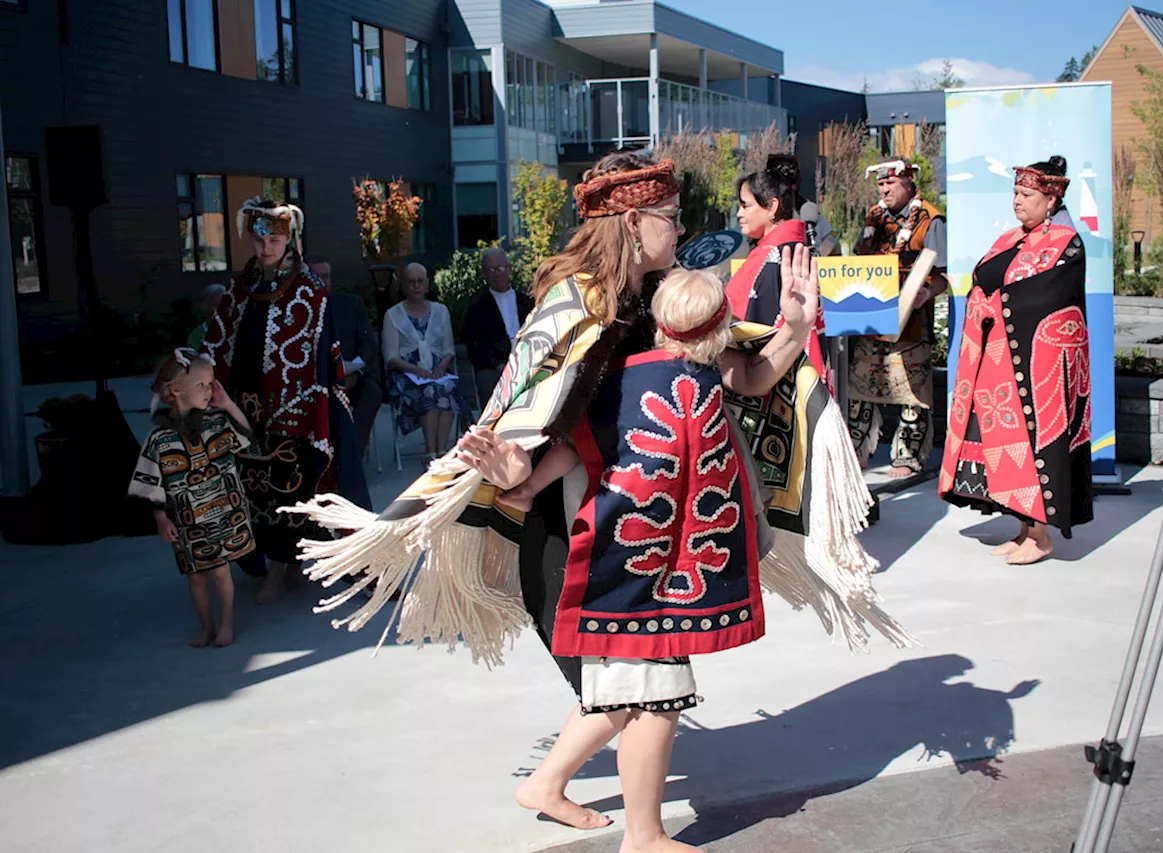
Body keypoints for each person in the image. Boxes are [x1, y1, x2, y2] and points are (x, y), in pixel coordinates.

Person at [286, 153, 904, 853]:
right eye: (671, 217)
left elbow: (750, 377)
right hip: (578, 540)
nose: (682, 227)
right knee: (648, 683)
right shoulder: (575, 306)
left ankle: (548, 787)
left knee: (625, 688)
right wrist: (514, 460)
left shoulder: (675, 298)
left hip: (647, 535)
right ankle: (642, 838)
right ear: (635, 222)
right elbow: (528, 420)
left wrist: (794, 327)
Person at [201, 197, 370, 604]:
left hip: (295, 410)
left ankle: (284, 567)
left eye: (275, 239)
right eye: (260, 240)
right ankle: (273, 562)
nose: (267, 248)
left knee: (291, 490)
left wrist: (317, 405)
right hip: (244, 409)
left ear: (288, 237)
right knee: (256, 494)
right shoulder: (240, 288)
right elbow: (219, 341)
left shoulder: (310, 289)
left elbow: (322, 353)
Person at [938, 155, 1093, 565]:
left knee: (1030, 441)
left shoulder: (1065, 244)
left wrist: (997, 303)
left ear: (1050, 198)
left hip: (1033, 366)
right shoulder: (1010, 239)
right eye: (1015, 194)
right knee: (1004, 445)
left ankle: (1041, 536)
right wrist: (983, 302)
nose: (1017, 202)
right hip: (996, 362)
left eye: (1026, 195)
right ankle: (1023, 527)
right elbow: (983, 278)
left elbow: (1047, 297)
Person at [501, 267, 732, 513]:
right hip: (691, 499)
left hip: (630, 494)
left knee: (575, 439)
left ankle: (529, 489)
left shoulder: (633, 373)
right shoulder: (709, 378)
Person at [129, 348, 254, 647]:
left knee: (221, 571)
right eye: (201, 385)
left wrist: (227, 405)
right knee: (196, 576)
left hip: (222, 511)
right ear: (175, 390)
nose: (209, 390)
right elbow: (152, 480)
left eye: (211, 383)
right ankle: (205, 625)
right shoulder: (159, 439)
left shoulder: (215, 423)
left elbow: (247, 437)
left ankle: (226, 622)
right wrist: (160, 517)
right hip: (186, 520)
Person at [846, 160, 948, 477]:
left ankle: (908, 455)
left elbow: (943, 276)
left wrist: (925, 294)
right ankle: (856, 449)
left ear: (908, 183)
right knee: (859, 389)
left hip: (910, 324)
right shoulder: (874, 217)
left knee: (911, 392)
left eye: (891, 184)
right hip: (870, 319)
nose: (885, 190)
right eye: (880, 185)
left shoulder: (930, 220)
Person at [725, 153, 829, 385]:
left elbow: (749, 325)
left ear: (772, 206)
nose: (739, 213)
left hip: (772, 377)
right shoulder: (792, 249)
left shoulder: (774, 255)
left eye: (745, 206)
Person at [382, 262, 470, 464]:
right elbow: (391, 358)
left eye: (420, 281)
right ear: (403, 285)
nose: (416, 286)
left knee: (446, 387)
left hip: (438, 372)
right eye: (411, 282)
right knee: (430, 390)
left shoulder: (441, 311)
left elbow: (449, 349)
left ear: (427, 284)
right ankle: (430, 452)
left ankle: (442, 453)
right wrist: (415, 369)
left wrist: (440, 367)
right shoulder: (392, 315)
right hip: (406, 376)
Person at [309, 255, 384, 456]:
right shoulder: (298, 312)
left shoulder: (350, 305)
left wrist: (355, 373)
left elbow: (369, 346)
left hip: (351, 377)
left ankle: (352, 457)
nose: (323, 283)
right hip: (314, 381)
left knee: (372, 392)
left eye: (326, 277)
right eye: (317, 278)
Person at [463, 247, 534, 411]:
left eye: (500, 268)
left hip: (527, 360)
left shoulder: (528, 302)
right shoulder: (477, 308)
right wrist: (499, 365)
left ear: (509, 269)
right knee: (488, 381)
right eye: (491, 270)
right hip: (495, 366)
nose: (497, 274)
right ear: (484, 273)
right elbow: (474, 348)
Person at [186, 284, 227, 350]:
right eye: (215, 305)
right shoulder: (196, 336)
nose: (221, 309)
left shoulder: (237, 331)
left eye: (224, 305)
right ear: (205, 305)